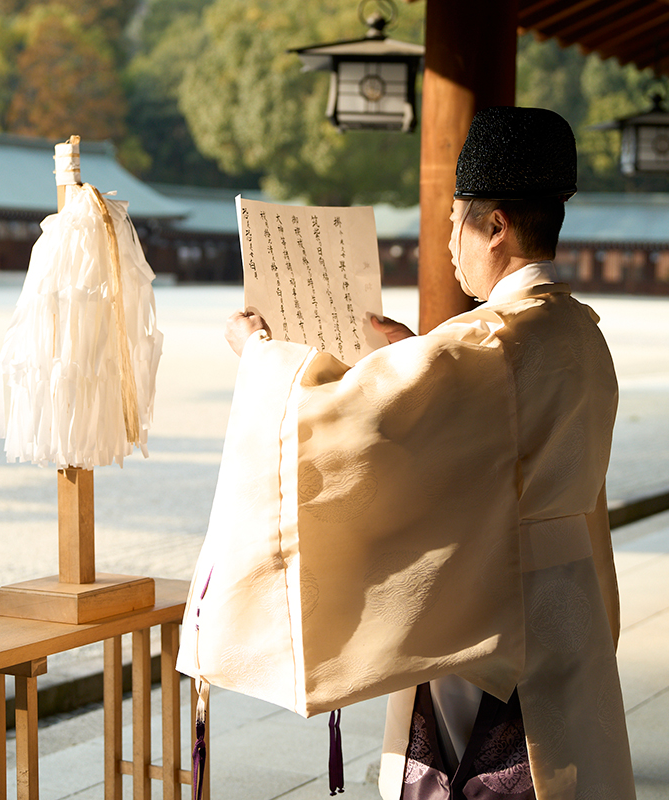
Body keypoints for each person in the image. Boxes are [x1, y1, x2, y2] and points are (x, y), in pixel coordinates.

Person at [200, 106, 635, 800]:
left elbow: (344, 418)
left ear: (494, 227)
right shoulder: (578, 331)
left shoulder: (488, 343)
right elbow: (497, 440)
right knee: (569, 767)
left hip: (492, 607)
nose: (448, 240)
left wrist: (260, 358)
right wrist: (413, 355)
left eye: (456, 219)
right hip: (567, 602)